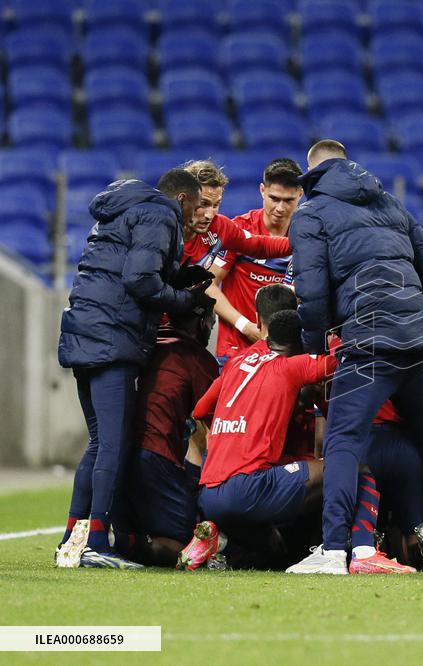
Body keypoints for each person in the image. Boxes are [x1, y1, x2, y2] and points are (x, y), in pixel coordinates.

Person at [286, 139, 423, 574]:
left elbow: (311, 289)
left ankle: (334, 552)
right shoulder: (392, 205)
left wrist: (317, 344)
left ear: (312, 174)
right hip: (416, 341)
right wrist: (419, 320)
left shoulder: (311, 213)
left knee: (342, 441)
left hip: (368, 342)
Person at [55, 170, 213, 569]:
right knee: (114, 443)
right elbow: (140, 280)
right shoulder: (160, 214)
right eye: (196, 207)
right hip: (113, 338)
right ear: (181, 199)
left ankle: (71, 539)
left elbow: (129, 268)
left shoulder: (125, 209)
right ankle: (95, 541)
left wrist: (178, 276)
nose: (197, 215)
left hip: (85, 332)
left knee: (99, 443)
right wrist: (185, 300)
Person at [188, 310, 329, 571]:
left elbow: (200, 410)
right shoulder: (289, 367)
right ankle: (338, 550)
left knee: (275, 548)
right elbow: (338, 363)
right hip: (247, 487)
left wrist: (223, 431)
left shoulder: (236, 363)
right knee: (346, 467)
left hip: (209, 495)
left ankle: (220, 545)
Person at [119, 302, 218, 567]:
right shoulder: (196, 357)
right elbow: (215, 425)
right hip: (155, 453)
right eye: (211, 321)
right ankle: (122, 541)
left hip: (118, 452)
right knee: (193, 541)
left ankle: (110, 537)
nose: (212, 327)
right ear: (200, 323)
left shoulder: (146, 343)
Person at [208, 158, 303, 362]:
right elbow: (208, 284)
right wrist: (244, 326)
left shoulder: (307, 236)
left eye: (288, 201)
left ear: (300, 195)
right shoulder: (239, 230)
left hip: (283, 353)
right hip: (235, 349)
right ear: (262, 190)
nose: (280, 208)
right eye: (274, 198)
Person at [180, 159, 291, 269]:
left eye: (216, 205)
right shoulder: (169, 232)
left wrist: (299, 242)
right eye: (203, 204)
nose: (209, 215)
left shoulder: (220, 227)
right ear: (182, 199)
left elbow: (260, 246)